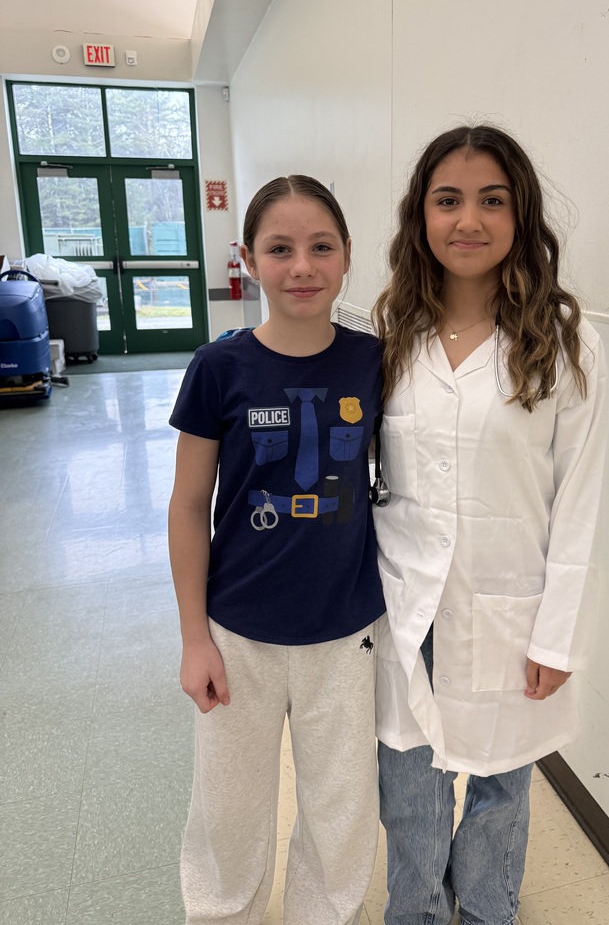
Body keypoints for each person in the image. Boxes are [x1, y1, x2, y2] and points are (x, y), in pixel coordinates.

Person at [371, 125, 608, 925]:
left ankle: (486, 910)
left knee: (502, 786)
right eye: (448, 201)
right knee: (410, 784)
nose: (467, 220)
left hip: (510, 603)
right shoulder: (391, 337)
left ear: (520, 215)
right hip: (406, 602)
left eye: (491, 201)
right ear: (421, 217)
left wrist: (558, 635)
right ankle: (417, 913)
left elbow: (580, 498)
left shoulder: (566, 344)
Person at [168, 175, 385, 925]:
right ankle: (222, 912)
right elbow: (189, 506)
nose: (302, 266)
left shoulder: (373, 362)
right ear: (250, 259)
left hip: (347, 631)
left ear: (347, 257)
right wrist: (195, 637)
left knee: (341, 812)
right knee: (228, 811)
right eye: (280, 248)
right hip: (238, 634)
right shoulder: (219, 368)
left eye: (321, 247)